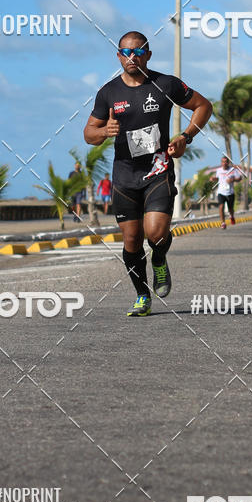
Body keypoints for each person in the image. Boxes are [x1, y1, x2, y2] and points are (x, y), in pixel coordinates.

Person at [83, 31, 212, 317]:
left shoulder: (165, 83)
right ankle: (142, 295)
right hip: (124, 177)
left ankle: (160, 258)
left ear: (148, 55)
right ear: (118, 56)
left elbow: (204, 106)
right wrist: (104, 131)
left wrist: (186, 137)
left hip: (158, 171)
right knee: (131, 241)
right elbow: (88, 133)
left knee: (155, 233)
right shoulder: (108, 92)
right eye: (126, 52)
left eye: (138, 52)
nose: (132, 57)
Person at [215, 155, 242, 228]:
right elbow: (217, 178)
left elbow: (240, 178)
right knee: (221, 206)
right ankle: (223, 223)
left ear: (228, 163)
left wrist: (233, 180)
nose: (224, 163)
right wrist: (213, 178)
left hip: (230, 192)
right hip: (221, 192)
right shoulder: (218, 170)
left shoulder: (233, 170)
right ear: (221, 163)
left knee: (230, 209)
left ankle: (232, 216)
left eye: (226, 162)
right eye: (223, 162)